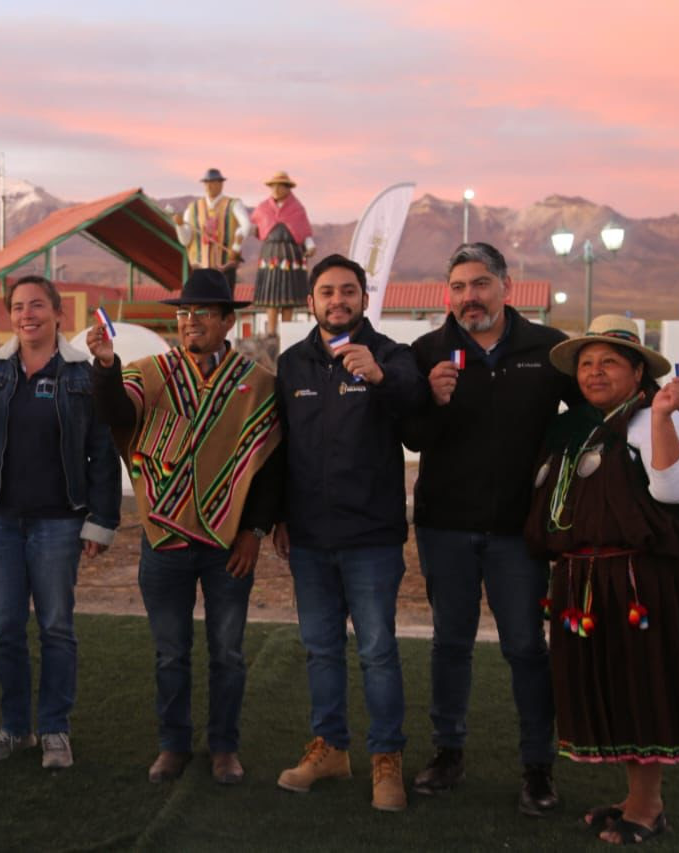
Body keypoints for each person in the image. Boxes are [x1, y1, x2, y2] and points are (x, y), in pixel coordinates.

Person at [525, 315, 679, 845]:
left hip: (643, 581)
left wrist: (663, 417)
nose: (595, 372)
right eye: (587, 364)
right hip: (588, 580)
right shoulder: (575, 427)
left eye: (609, 362)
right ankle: (633, 796)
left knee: (643, 686)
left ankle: (648, 805)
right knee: (613, 686)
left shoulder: (657, 417)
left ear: (638, 371)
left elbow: (676, 491)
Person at [402, 242, 579, 814]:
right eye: (457, 287)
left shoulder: (548, 349)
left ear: (507, 286)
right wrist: (430, 401)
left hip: (517, 533)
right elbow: (413, 438)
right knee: (450, 644)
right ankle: (448, 753)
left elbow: (587, 420)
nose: (468, 297)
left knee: (526, 648)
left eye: (479, 284)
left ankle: (537, 767)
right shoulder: (428, 349)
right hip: (445, 528)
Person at [87, 268, 281, 785]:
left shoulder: (257, 383)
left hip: (228, 544)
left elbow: (269, 466)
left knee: (229, 653)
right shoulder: (147, 373)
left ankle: (224, 747)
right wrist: (104, 366)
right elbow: (112, 412)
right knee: (170, 651)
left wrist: (254, 531)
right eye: (183, 313)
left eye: (201, 313)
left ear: (225, 322)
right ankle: (172, 744)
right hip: (164, 539)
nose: (189, 321)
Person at [0, 275, 121, 770]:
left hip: (59, 521)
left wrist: (100, 521)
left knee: (57, 628)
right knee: (4, 628)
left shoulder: (82, 374)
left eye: (37, 305)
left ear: (59, 314)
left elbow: (102, 453)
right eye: (18, 306)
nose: (27, 314)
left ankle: (56, 730)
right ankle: (15, 728)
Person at [272, 255, 427, 811]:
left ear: (364, 297)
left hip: (371, 537)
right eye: (327, 292)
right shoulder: (292, 365)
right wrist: (279, 517)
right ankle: (330, 748)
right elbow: (279, 448)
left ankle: (387, 758)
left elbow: (416, 425)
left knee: (379, 651)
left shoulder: (392, 356)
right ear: (310, 301)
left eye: (348, 291)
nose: (337, 300)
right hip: (310, 539)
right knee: (320, 649)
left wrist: (380, 378)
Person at [250, 171, 316, 336]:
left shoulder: (297, 209)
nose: (276, 189)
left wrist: (310, 245)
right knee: (271, 295)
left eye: (280, 186)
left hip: (291, 255)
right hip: (270, 253)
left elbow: (304, 231)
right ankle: (271, 332)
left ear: (288, 188)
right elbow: (255, 228)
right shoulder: (263, 208)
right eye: (274, 186)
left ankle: (287, 331)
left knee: (289, 295)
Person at [173, 168, 251, 288]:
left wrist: (236, 247)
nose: (209, 186)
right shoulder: (193, 208)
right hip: (200, 266)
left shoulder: (233, 204)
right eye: (206, 183)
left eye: (213, 183)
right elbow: (186, 240)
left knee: (223, 302)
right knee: (202, 302)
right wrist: (180, 226)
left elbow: (246, 225)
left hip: (225, 267)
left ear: (221, 184)